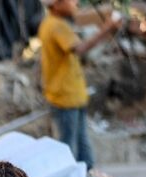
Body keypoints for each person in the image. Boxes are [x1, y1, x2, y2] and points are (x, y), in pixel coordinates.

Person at [38, 0, 123, 167]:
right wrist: (106, 28)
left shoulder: (53, 24)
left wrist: (107, 31)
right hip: (65, 96)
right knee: (68, 147)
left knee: (81, 143)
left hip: (72, 95)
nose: (75, 3)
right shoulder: (56, 26)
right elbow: (80, 49)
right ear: (56, 5)